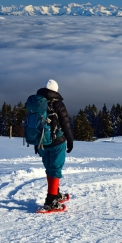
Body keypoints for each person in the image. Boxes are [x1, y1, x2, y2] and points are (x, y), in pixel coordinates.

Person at [35, 79, 74, 212]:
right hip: (57, 142)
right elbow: (65, 123)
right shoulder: (58, 104)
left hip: (42, 143)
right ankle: (51, 200)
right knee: (55, 169)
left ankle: (55, 194)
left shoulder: (37, 104)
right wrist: (70, 139)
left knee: (49, 169)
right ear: (55, 90)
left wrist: (37, 143)